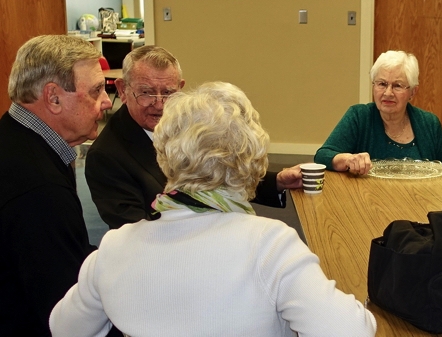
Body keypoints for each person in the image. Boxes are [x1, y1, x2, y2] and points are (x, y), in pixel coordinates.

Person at [50, 82, 377, 336]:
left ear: (164, 154)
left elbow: (64, 329)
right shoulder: (269, 245)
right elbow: (351, 331)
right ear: (251, 159)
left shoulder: (114, 248)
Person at [0, 35, 113, 336]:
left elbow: (66, 252)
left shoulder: (14, 140)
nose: (106, 101)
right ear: (53, 98)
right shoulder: (36, 185)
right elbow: (67, 313)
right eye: (96, 90)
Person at [86, 45, 301, 229]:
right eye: (146, 93)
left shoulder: (189, 122)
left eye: (168, 93)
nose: (159, 104)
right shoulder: (106, 156)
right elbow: (135, 230)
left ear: (180, 89)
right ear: (122, 90)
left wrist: (276, 182)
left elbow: (219, 172)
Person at [314, 50, 442, 175]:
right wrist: (348, 160)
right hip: (368, 194)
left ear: (413, 92)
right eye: (382, 84)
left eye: (397, 86)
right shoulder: (359, 116)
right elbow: (323, 155)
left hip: (419, 194)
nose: (388, 93)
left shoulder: (430, 123)